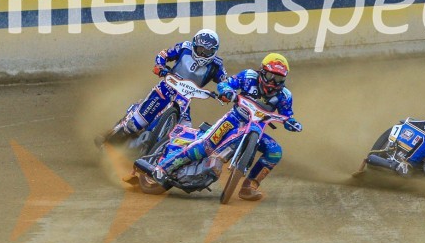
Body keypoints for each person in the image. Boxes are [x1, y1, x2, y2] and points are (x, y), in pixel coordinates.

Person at [152, 53, 302, 201]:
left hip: (257, 128)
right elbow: (225, 83)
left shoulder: (285, 96)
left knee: (275, 151)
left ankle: (249, 187)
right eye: (271, 76)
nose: (274, 82)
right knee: (205, 147)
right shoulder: (248, 76)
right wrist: (228, 92)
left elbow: (287, 115)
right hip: (233, 120)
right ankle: (163, 167)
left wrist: (292, 123)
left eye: (279, 78)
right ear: (262, 71)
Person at [97, 30, 228, 148]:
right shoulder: (184, 47)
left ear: (214, 51)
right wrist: (159, 66)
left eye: (207, 52)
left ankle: (163, 160)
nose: (203, 54)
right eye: (200, 49)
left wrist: (225, 92)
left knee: (185, 131)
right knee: (137, 123)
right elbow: (164, 54)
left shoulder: (217, 65)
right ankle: (109, 140)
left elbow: (225, 82)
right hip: (166, 88)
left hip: (185, 99)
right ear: (194, 45)